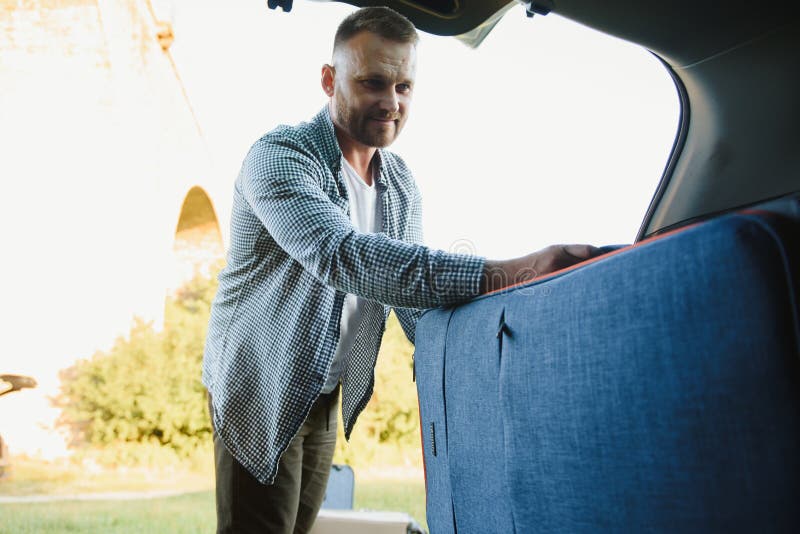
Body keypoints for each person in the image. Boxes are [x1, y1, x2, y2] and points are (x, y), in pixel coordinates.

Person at [203, 6, 598, 533]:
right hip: (259, 382)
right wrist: (512, 271)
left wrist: (503, 339)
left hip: (323, 391)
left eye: (404, 86)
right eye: (372, 83)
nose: (391, 103)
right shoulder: (280, 156)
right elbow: (341, 256)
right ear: (329, 80)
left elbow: (411, 295)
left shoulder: (401, 184)